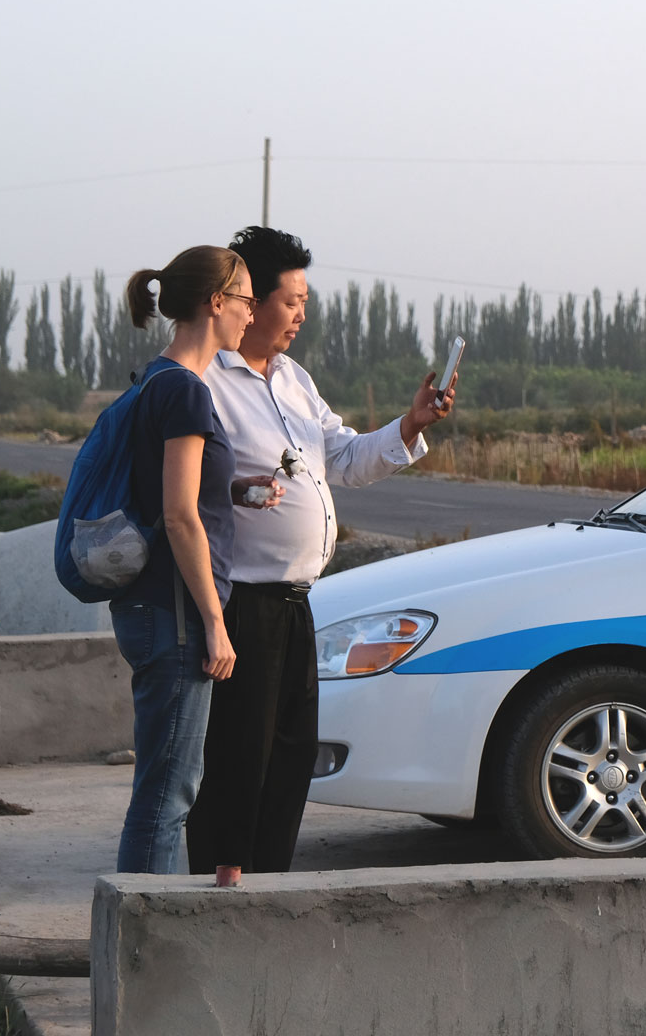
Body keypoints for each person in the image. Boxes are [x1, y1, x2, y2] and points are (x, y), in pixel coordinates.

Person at [186, 226, 456, 875]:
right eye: (289, 301)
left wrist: (411, 423)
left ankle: (267, 885)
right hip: (239, 605)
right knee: (235, 764)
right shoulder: (203, 384)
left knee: (287, 758)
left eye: (305, 302)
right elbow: (174, 490)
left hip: (294, 608)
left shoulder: (293, 381)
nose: (300, 315)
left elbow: (343, 457)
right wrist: (233, 489)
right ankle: (216, 890)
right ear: (245, 301)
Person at [113, 245, 281, 873]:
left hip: (149, 606)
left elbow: (168, 496)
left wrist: (231, 490)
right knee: (168, 794)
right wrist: (215, 620)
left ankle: (139, 932)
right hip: (177, 611)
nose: (250, 314)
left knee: (162, 786)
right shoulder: (185, 391)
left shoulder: (154, 379)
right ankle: (143, 951)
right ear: (215, 303)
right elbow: (180, 517)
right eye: (244, 300)